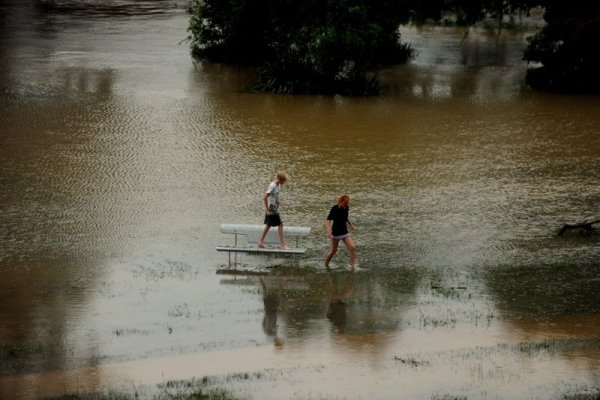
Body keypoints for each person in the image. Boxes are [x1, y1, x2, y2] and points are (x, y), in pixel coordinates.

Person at [257, 171, 290, 249]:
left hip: (275, 208)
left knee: (268, 225)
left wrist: (280, 203)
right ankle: (283, 245)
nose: (284, 183)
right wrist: (268, 210)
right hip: (272, 210)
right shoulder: (273, 185)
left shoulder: (279, 185)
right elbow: (265, 197)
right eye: (284, 181)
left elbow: (276, 196)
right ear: (280, 179)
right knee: (280, 225)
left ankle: (260, 242)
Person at [325, 194, 357, 270]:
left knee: (352, 247)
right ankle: (326, 264)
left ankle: (353, 267)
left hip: (344, 232)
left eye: (348, 203)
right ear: (341, 201)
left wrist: (351, 225)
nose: (346, 205)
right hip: (336, 233)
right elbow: (328, 219)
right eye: (345, 203)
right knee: (334, 250)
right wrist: (329, 230)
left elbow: (346, 218)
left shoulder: (346, 208)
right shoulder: (334, 208)